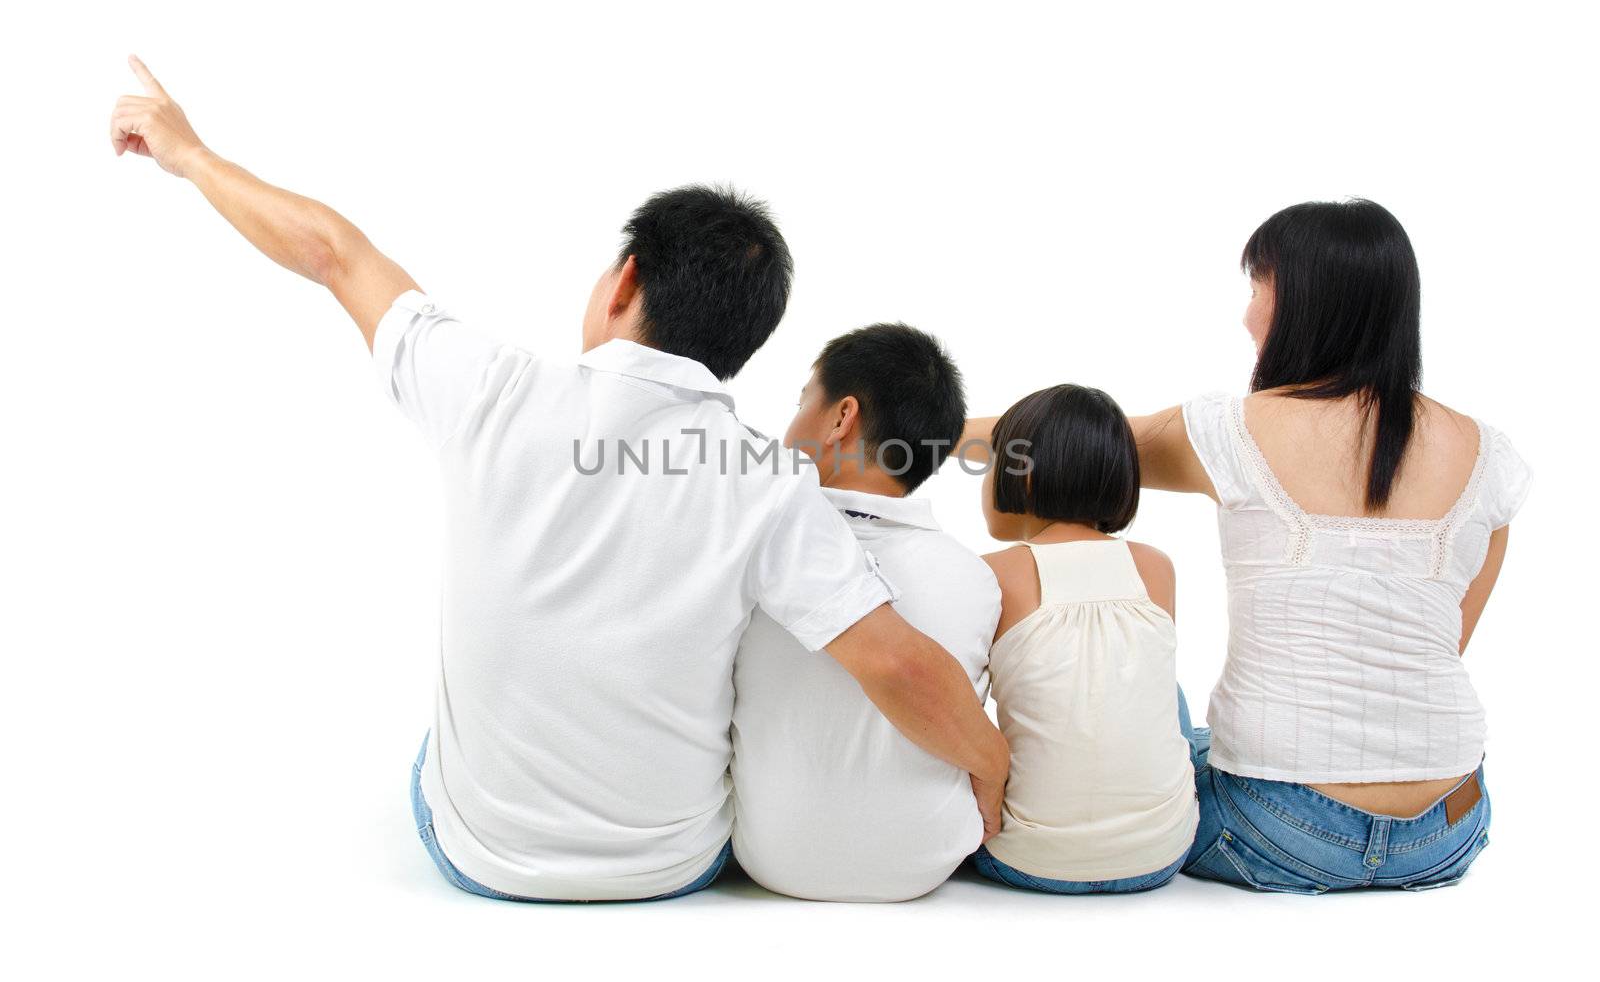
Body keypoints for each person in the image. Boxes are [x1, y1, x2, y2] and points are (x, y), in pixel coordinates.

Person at [110, 56, 1009, 902]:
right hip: (671, 867)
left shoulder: (488, 388)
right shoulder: (768, 483)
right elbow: (894, 663)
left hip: (480, 857)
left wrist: (187, 154)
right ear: (743, 345)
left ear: (623, 282)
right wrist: (992, 765)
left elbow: (332, 252)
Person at [963, 198, 1529, 892]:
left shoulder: (1233, 433)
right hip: (1447, 826)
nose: (1248, 313)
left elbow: (1053, 441)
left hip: (1279, 825)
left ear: (1304, 300)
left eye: (1259, 286)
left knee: (1136, 708)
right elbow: (1446, 642)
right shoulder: (1492, 459)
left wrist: (891, 438)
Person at [731, 324, 1000, 902]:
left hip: (766, 859)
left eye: (804, 400)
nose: (792, 422)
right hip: (925, 868)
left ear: (841, 416)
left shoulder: (747, 554)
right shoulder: (976, 578)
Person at [968, 385, 1198, 894]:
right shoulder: (1155, 567)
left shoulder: (991, 575)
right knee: (1166, 697)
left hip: (1025, 858)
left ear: (1021, 476)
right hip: (1160, 855)